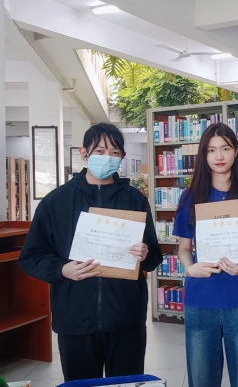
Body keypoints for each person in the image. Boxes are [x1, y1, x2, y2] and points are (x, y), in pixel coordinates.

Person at [18, 123, 162, 381]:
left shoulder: (135, 200)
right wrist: (62, 269)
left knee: (126, 384)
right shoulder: (56, 201)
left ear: (122, 157)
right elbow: (31, 256)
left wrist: (145, 253)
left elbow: (153, 259)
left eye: (114, 152)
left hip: (125, 318)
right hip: (75, 318)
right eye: (100, 151)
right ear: (84, 153)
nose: (107, 157)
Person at [172, 123, 238, 387]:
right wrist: (190, 268)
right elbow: (183, 248)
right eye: (211, 150)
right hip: (201, 299)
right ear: (204, 155)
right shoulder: (190, 197)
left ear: (236, 152)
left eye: (225, 149)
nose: (219, 156)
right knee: (201, 379)